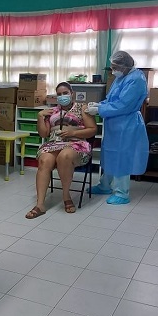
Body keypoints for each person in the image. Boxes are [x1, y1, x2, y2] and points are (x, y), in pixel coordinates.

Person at [25, 82, 98, 219]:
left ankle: (66, 196)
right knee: (45, 160)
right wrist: (40, 117)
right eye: (59, 94)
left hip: (77, 144)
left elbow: (93, 130)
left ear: (72, 93)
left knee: (64, 156)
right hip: (54, 143)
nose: (62, 96)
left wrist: (73, 133)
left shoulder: (82, 108)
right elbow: (43, 134)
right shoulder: (52, 111)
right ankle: (40, 204)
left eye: (65, 93)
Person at [85, 51, 149, 205]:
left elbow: (123, 105)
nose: (113, 70)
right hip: (115, 124)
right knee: (110, 155)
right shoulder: (121, 78)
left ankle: (122, 193)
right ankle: (105, 185)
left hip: (126, 124)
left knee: (121, 157)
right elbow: (112, 99)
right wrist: (100, 105)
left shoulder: (136, 80)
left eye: (115, 67)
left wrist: (99, 110)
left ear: (124, 66)